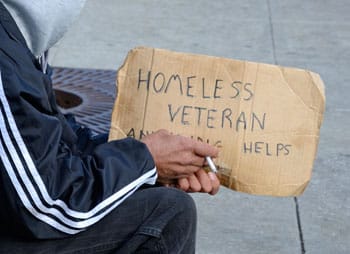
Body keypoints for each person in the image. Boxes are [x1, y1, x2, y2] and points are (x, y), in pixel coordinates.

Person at [0, 1, 220, 253]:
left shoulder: (17, 33)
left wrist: (148, 167)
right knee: (167, 214)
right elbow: (43, 207)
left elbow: (56, 141)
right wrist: (144, 159)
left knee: (155, 200)